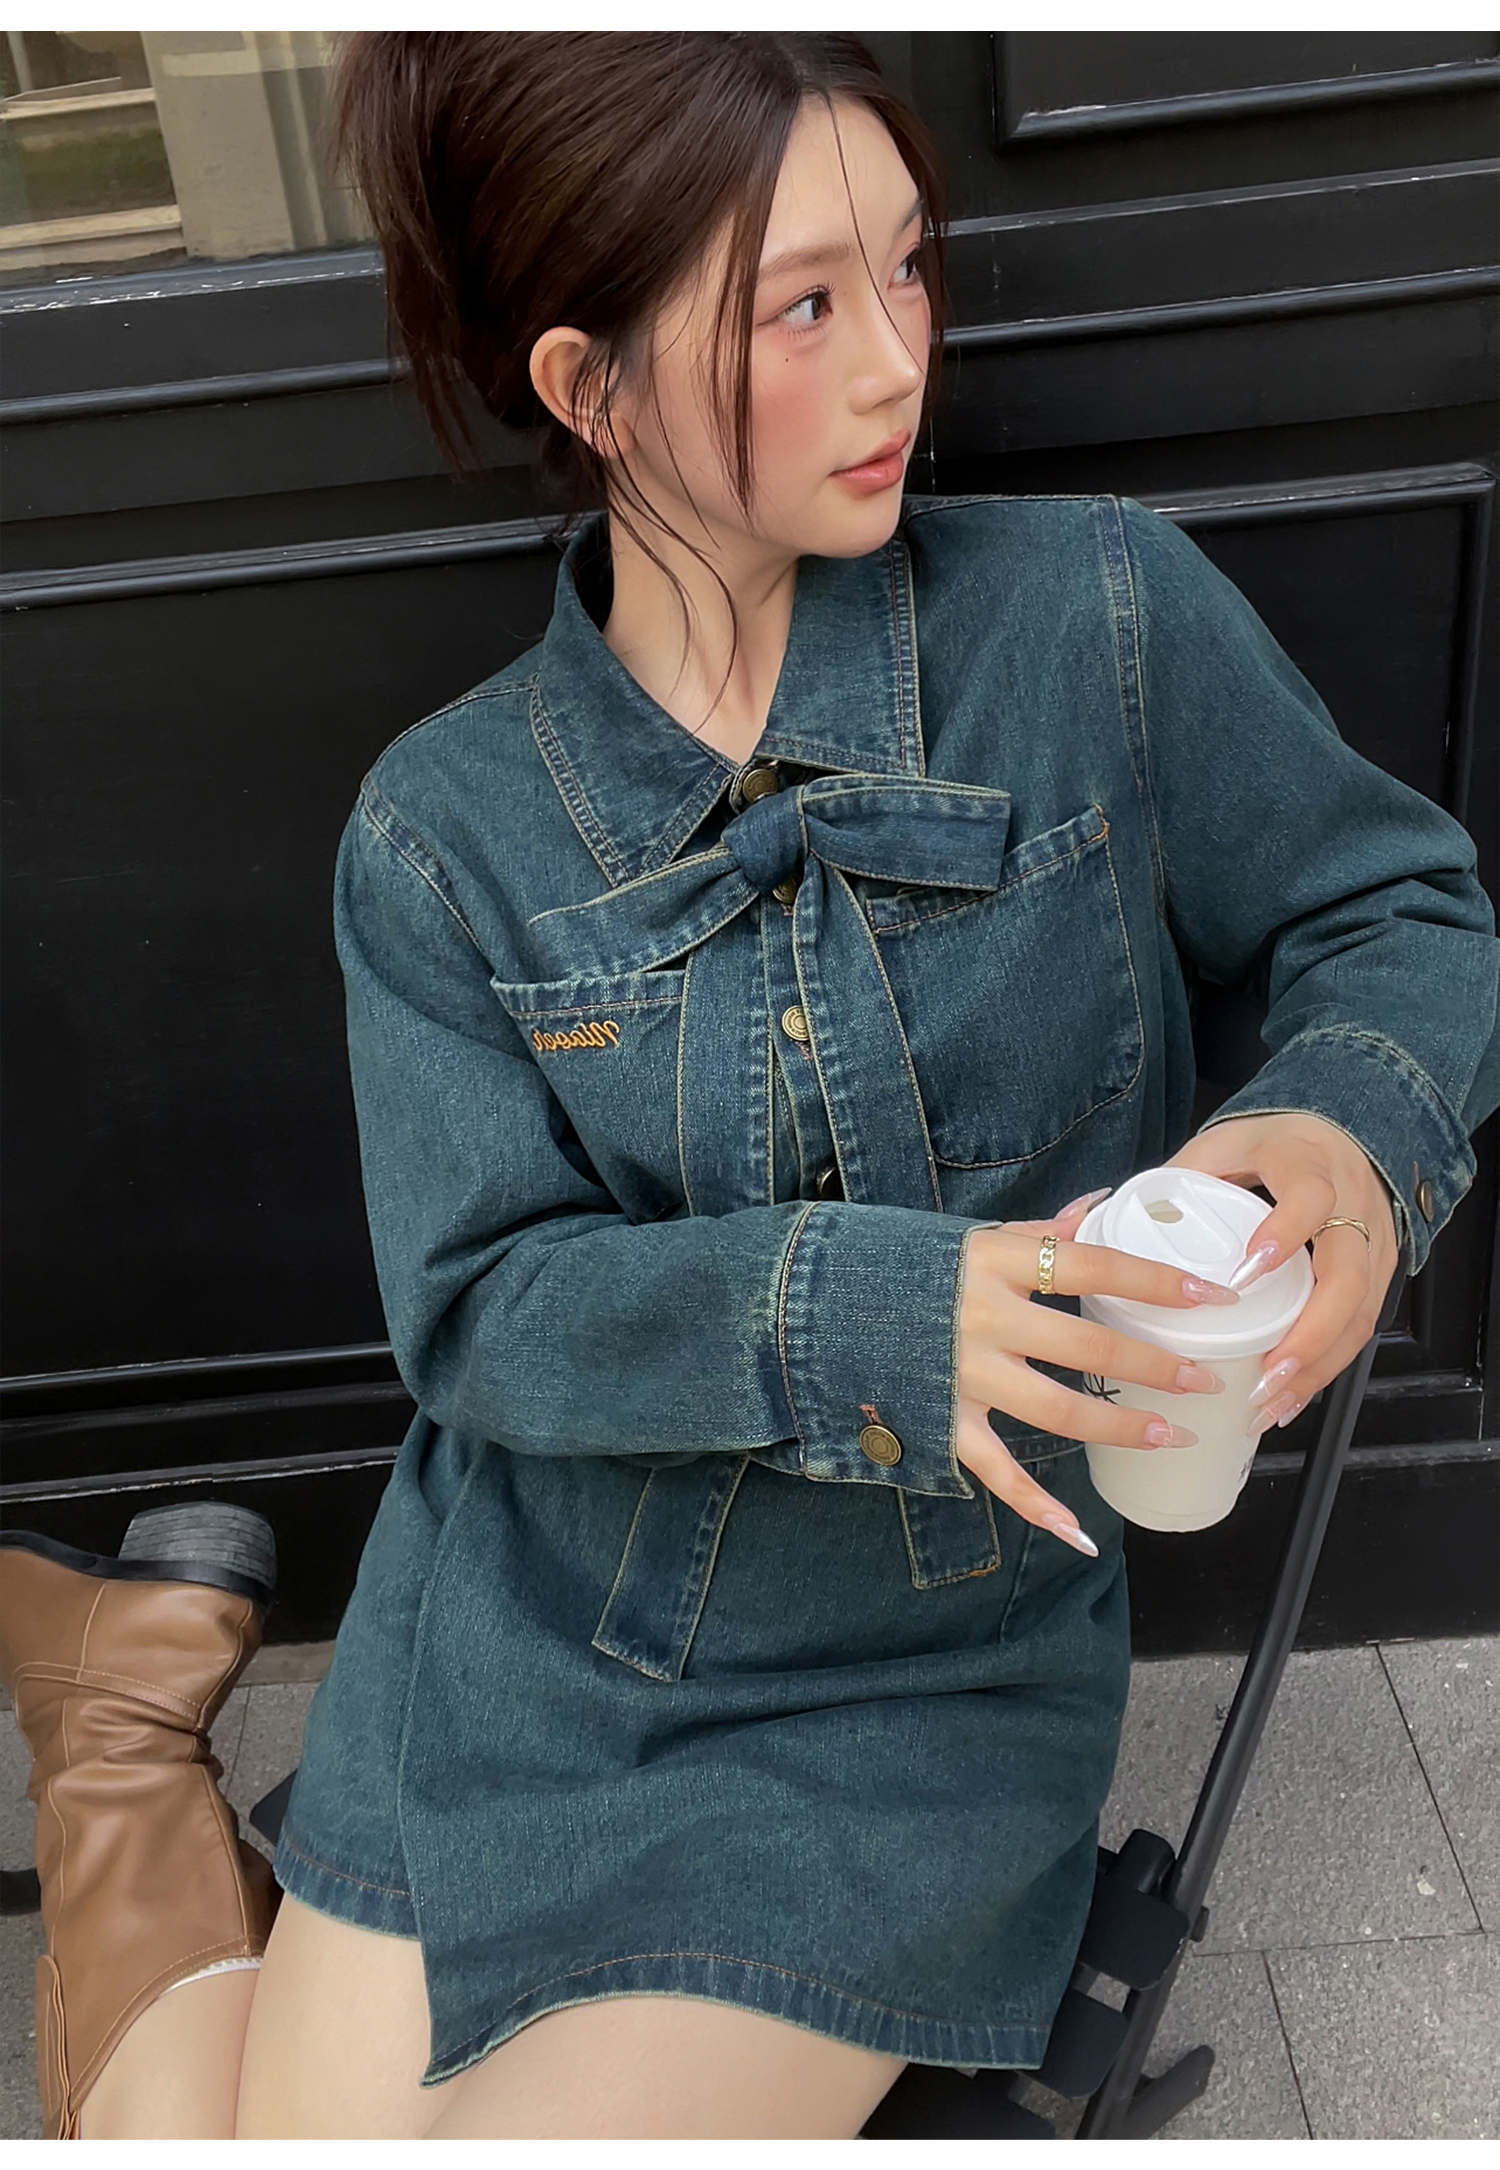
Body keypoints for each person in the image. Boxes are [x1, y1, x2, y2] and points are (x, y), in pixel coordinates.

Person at [3, 31, 1497, 2142]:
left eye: (907, 267)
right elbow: (482, 1304)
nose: (896, 363)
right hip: (530, 1629)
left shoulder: (1092, 620)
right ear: (589, 385)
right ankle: (121, 1747)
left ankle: (113, 1733)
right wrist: (862, 1312)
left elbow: (1398, 904)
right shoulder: (442, 830)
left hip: (913, 1689)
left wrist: (1334, 1130)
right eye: (800, 307)